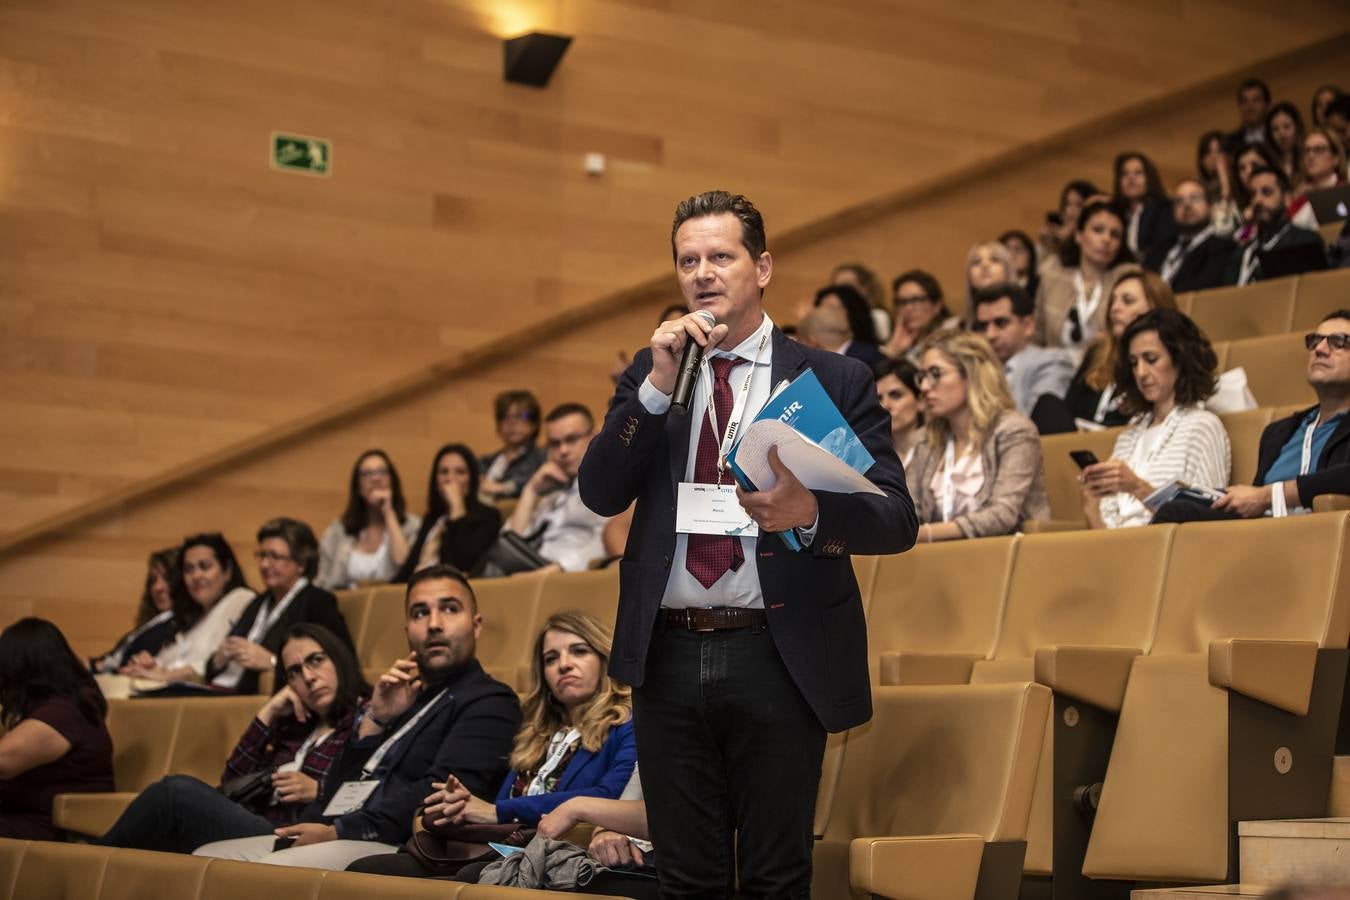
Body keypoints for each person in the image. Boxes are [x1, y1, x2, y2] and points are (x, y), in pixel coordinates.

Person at [578, 190, 916, 898]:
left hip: (778, 652)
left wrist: (808, 512)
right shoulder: (654, 373)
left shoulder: (831, 377)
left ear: (761, 268)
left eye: (720, 257)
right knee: (686, 877)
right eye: (688, 260)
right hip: (667, 653)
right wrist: (655, 388)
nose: (703, 273)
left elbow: (895, 518)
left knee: (774, 875)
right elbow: (601, 493)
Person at [192, 564, 521, 870]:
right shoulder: (405, 697)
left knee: (274, 871)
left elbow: (438, 795)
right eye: (421, 613)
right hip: (340, 827)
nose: (434, 624)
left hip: (399, 844)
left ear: (476, 625)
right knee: (204, 859)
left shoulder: (490, 701)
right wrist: (375, 721)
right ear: (408, 630)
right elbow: (337, 788)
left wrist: (339, 831)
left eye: (449, 609)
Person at [346, 610, 638, 879]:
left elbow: (608, 795)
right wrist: (461, 806)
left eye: (579, 651)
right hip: (502, 846)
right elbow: (497, 807)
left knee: (473, 877)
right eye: (550, 658)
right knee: (368, 870)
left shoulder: (628, 723)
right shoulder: (535, 733)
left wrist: (494, 811)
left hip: (563, 850)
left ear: (603, 657)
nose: (564, 665)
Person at [99, 624, 368, 853]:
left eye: (316, 660)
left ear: (338, 659)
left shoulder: (367, 720)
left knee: (174, 795)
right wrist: (268, 713)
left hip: (294, 834)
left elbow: (375, 788)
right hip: (258, 822)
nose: (308, 677)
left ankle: (90, 869)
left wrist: (318, 790)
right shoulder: (295, 727)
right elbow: (232, 783)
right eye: (294, 672)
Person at [1154, 311, 1350, 523]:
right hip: (1261, 533)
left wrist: (1268, 496)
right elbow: (1253, 504)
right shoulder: (1278, 433)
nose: (1319, 349)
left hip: (1319, 537)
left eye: (1338, 342)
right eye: (1314, 341)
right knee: (1178, 507)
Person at [1080, 309, 1230, 529]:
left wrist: (1137, 487)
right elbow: (1107, 533)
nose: (1140, 372)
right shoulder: (1128, 437)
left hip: (1166, 554)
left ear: (1180, 359)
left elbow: (1209, 522)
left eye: (1151, 359)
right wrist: (1091, 506)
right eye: (1133, 363)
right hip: (1116, 553)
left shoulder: (1203, 426)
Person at [907, 330, 1050, 540]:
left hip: (1007, 559)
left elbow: (1002, 515)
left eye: (936, 374)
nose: (925, 387)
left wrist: (924, 534)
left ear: (972, 373)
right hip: (936, 561)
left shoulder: (1014, 430)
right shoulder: (926, 439)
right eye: (922, 377)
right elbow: (908, 511)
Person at [206, 518, 354, 695]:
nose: (264, 564)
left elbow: (340, 660)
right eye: (261, 555)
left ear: (301, 563)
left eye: (274, 556)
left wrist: (272, 662)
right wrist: (218, 659)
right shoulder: (257, 603)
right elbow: (212, 667)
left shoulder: (318, 602)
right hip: (221, 690)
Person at [0, 618, 114, 839]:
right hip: (25, 819)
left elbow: (3, 762)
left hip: (51, 829)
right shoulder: (61, 706)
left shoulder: (64, 713)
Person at [118, 533, 256, 684]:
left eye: (204, 566)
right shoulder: (190, 618)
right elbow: (173, 661)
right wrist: (149, 665)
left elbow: (218, 660)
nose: (196, 576)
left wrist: (167, 676)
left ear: (227, 571)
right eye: (189, 569)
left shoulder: (240, 599)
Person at [1056, 267, 1180, 431]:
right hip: (1078, 445)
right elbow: (1068, 410)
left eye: (1127, 301)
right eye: (1113, 301)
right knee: (1048, 405)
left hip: (1125, 444)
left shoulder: (1168, 358)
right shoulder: (1097, 352)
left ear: (1155, 308)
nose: (1115, 308)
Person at [503, 404, 609, 573]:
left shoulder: (610, 488)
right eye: (554, 443)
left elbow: (608, 542)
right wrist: (531, 491)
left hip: (568, 580)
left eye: (572, 439)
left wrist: (557, 569)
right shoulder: (550, 499)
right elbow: (509, 546)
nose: (563, 451)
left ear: (595, 436)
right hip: (528, 575)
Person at [1035, 199, 1135, 354]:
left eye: (1115, 235)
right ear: (1078, 235)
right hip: (1054, 370)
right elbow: (1036, 338)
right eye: (1098, 230)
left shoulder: (1127, 279)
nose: (1106, 239)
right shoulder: (1052, 277)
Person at [316, 450, 420, 590]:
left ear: (392, 481)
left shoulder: (412, 526)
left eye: (382, 472)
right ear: (358, 487)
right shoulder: (339, 530)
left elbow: (405, 563)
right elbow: (322, 580)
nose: (375, 479)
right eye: (367, 474)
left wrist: (388, 511)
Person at [395, 444, 502, 580]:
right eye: (444, 472)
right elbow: (407, 570)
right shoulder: (432, 518)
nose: (450, 479)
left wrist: (457, 509)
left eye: (460, 472)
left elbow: (464, 565)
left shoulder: (489, 516)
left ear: (472, 479)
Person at [971, 283, 1073, 417]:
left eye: (1001, 323)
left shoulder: (1052, 362)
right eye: (982, 326)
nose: (990, 335)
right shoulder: (973, 368)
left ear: (1028, 326)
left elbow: (1039, 422)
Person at [1224, 167, 1326, 286]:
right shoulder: (1241, 251)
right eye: (1253, 194)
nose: (1257, 200)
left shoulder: (1304, 242)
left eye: (1266, 192)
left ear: (1287, 199)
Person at [92, 547, 180, 673]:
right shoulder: (151, 623)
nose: (157, 587)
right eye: (153, 581)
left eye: (167, 578)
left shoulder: (179, 624)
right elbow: (113, 657)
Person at [1143, 178, 1238, 292]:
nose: (1187, 205)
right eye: (1180, 201)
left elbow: (1204, 288)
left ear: (1210, 207)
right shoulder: (1159, 249)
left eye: (1194, 198)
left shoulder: (1222, 248)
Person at [480, 390, 548, 502]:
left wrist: (502, 488)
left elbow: (542, 483)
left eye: (521, 416)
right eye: (505, 417)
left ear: (534, 423)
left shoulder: (542, 457)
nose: (511, 423)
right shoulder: (486, 461)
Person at [1114, 151, 1176, 262]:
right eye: (1124, 174)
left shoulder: (1164, 209)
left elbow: (1160, 251)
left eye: (1138, 173)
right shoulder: (1116, 213)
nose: (1131, 178)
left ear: (1149, 178)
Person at [883, 269, 958, 360]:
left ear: (937, 305)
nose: (908, 308)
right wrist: (892, 349)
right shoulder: (902, 338)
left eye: (916, 300)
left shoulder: (952, 330)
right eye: (902, 302)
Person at [813, 284, 884, 366]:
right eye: (821, 309)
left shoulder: (869, 357)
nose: (825, 315)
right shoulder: (807, 351)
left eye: (832, 308)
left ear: (852, 313)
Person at [1290, 129, 1347, 229]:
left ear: (1335, 158)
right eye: (1307, 150)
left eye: (1319, 149)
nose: (1310, 155)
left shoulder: (1345, 191)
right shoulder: (1299, 196)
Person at [874, 358, 924, 469]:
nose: (885, 405)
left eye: (896, 395)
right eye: (879, 398)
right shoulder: (875, 455)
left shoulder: (939, 447)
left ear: (921, 401)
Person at [1038, 179, 1100, 266]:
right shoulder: (1057, 234)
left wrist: (1068, 243)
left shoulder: (1095, 240)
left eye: (1079, 205)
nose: (1071, 211)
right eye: (1067, 204)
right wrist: (1044, 246)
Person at [1195, 130, 1242, 236]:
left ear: (1229, 155)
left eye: (1219, 151)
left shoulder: (1238, 180)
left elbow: (1229, 212)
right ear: (1201, 159)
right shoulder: (1198, 186)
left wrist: (1224, 176)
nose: (1214, 157)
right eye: (1208, 152)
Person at [830, 262, 891, 341]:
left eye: (847, 287)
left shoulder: (877, 317)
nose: (840, 293)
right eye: (836, 288)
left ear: (866, 288)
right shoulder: (833, 318)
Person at [962, 240, 1017, 323]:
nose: (984, 264)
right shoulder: (954, 327)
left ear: (1008, 271)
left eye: (994, 259)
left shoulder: (1024, 319)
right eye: (976, 261)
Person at [1223, 78, 1271, 154]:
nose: (1250, 107)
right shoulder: (1228, 142)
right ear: (1239, 106)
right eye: (1245, 101)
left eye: (1256, 100)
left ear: (1267, 104)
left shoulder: (1278, 136)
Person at [1264, 101, 1306, 185]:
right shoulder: (1266, 163)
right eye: (1275, 129)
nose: (1282, 134)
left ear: (1297, 128)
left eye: (1287, 126)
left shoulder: (1308, 157)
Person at [999, 229, 1041, 300]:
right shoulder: (991, 286)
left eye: (1018, 249)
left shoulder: (1040, 286)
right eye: (1006, 249)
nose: (1011, 254)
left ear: (1030, 256)